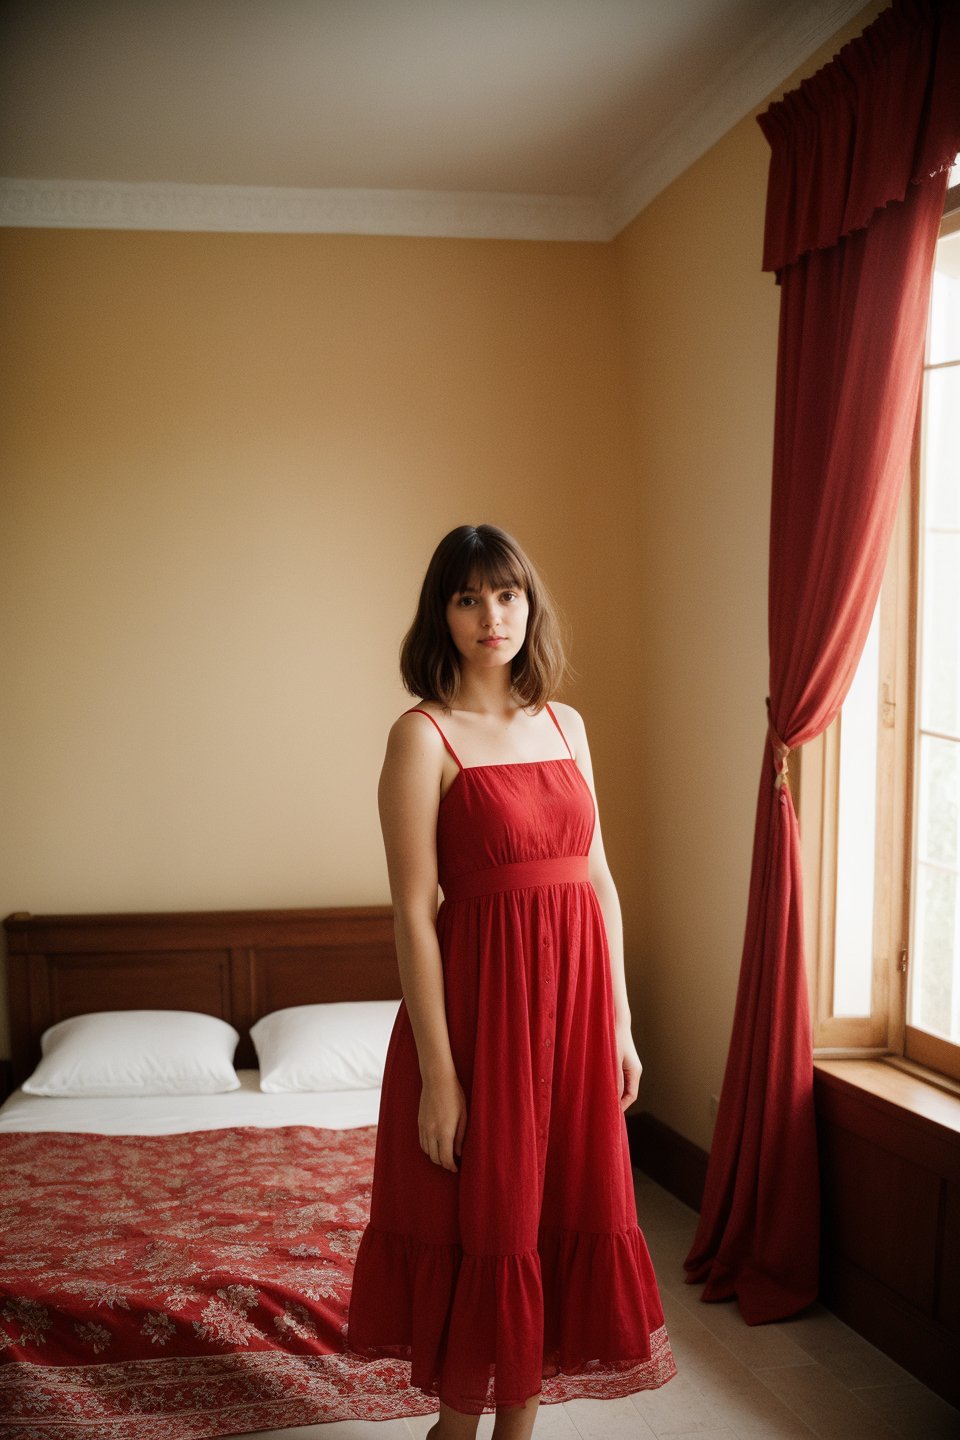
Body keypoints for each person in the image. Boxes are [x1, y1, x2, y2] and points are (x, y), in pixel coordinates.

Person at [347, 524, 675, 1440]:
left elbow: (596, 879)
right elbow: (415, 912)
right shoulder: (421, 738)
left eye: (506, 594)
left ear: (529, 604)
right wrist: (443, 1078)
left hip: (571, 1021)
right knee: (489, 1230)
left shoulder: (568, 725)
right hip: (482, 1022)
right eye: (467, 598)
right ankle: (456, 1428)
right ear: (441, 615)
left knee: (559, 1217)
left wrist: (620, 1018)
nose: (492, 616)